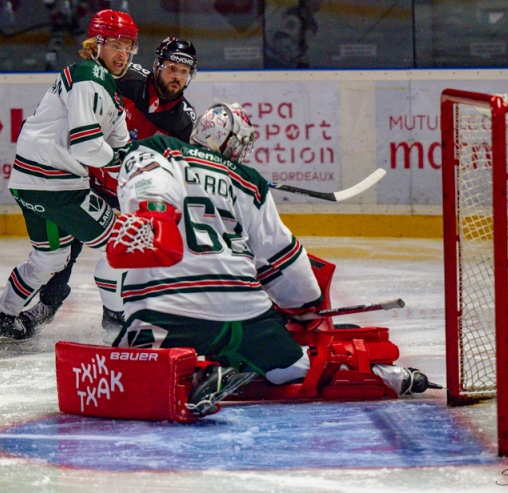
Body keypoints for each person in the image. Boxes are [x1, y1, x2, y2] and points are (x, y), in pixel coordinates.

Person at [104, 103, 431, 403]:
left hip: (168, 308)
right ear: (228, 140)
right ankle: (391, 377)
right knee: (298, 369)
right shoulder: (249, 181)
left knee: (134, 372)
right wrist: (304, 306)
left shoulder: (158, 148)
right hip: (246, 314)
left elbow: (144, 178)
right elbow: (283, 257)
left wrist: (154, 211)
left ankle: (199, 371)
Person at [0, 9, 138, 343]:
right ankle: (115, 328)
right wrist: (121, 157)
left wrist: (149, 160)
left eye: (129, 45)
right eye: (116, 44)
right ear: (96, 44)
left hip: (30, 183)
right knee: (120, 242)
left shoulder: (109, 92)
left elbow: (125, 151)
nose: (123, 53)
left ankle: (2, 316)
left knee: (50, 257)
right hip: (57, 184)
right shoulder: (88, 73)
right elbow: (86, 147)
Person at [26, 36, 199, 333]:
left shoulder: (183, 120)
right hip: (88, 180)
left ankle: (113, 312)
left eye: (184, 72)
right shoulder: (126, 81)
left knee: (122, 253)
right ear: (157, 65)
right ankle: (48, 303)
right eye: (172, 68)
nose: (177, 77)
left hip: (126, 194)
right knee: (65, 247)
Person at [264, 0, 323, 69]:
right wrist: (299, 59)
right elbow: (281, 40)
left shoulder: (308, 18)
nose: (320, 0)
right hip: (277, 66)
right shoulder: (295, 17)